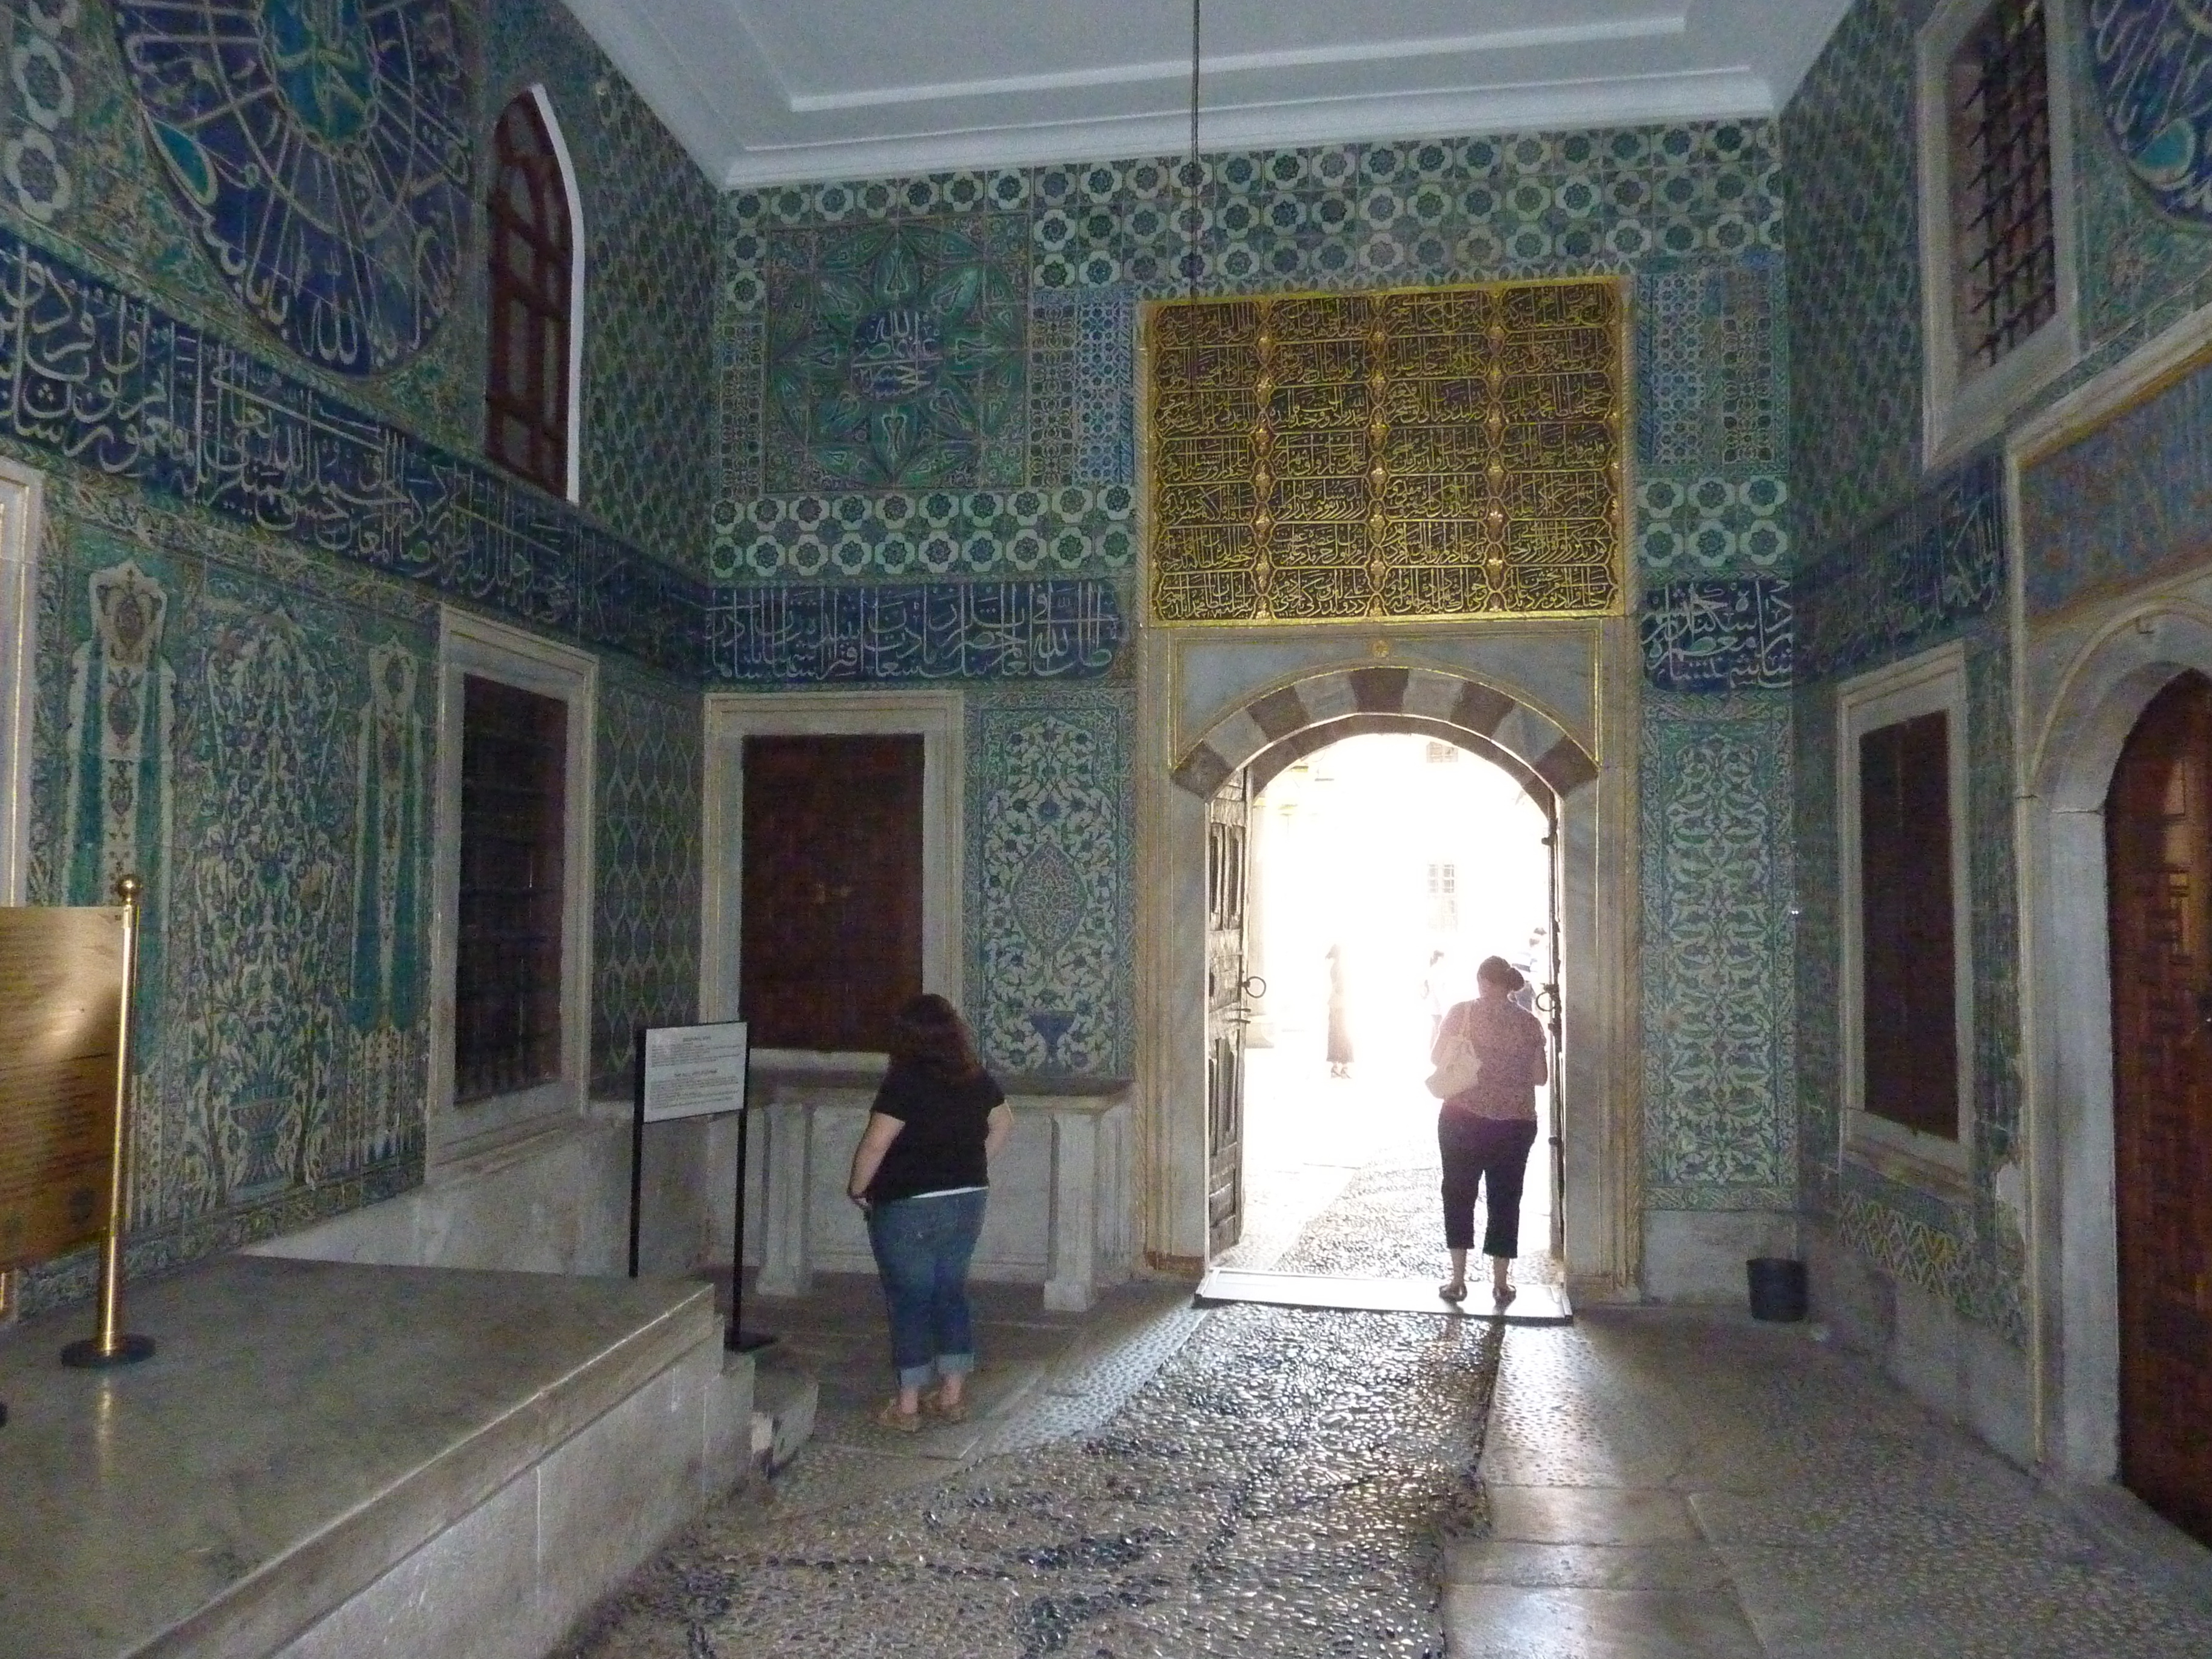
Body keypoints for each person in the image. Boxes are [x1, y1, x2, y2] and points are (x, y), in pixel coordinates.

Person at [846, 994, 1014, 1432]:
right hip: (967, 1199)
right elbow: (1004, 1123)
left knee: (910, 1299)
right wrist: (974, 1164)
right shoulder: (975, 1079)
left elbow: (876, 1143)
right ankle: (954, 1396)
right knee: (950, 1292)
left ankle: (907, 1406)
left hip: (909, 1204)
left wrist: (859, 1187)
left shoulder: (904, 1083)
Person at [1431, 955, 1549, 1307]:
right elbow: (1541, 1078)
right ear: (1509, 985)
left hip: (1462, 1118)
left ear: (1482, 981)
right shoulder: (1528, 1023)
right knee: (1506, 1198)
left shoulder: (1460, 1013)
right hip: (1515, 1123)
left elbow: (1437, 1059)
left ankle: (1457, 1280)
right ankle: (1501, 1282)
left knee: (1458, 1193)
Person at [1326, 941, 1354, 1078]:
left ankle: (1336, 1066)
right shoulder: (1341, 968)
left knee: (1335, 1034)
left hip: (1334, 1004)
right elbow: (1342, 988)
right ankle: (1343, 1067)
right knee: (1343, 1035)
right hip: (1340, 1005)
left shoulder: (1335, 967)